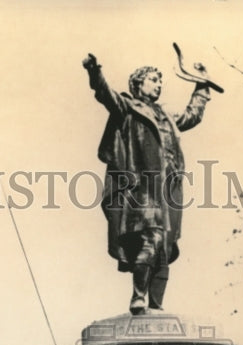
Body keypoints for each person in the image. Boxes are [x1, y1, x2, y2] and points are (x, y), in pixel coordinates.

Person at [82, 53, 212, 313]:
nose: (158, 84)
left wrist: (202, 87)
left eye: (159, 81)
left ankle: (155, 305)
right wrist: (95, 71)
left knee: (164, 247)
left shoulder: (166, 114)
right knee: (151, 240)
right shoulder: (128, 107)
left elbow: (191, 117)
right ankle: (138, 297)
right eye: (153, 80)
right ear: (138, 84)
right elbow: (106, 95)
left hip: (166, 191)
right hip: (141, 189)